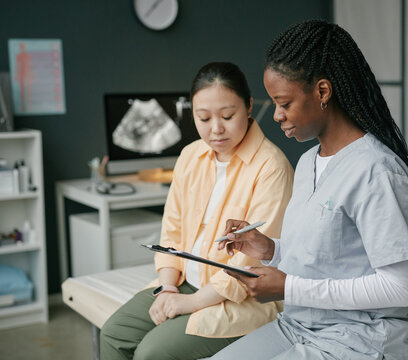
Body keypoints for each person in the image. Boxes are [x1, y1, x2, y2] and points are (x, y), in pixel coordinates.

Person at [212, 20, 408, 360]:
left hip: (362, 339)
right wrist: (268, 249)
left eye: (284, 103)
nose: (278, 116)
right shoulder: (308, 162)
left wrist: (288, 287)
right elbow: (327, 259)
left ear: (323, 92)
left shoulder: (377, 171)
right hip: (299, 325)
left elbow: (399, 289)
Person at [100, 62, 294, 360]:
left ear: (250, 106)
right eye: (203, 118)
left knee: (151, 353)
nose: (216, 128)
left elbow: (250, 264)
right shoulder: (190, 156)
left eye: (228, 116)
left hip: (238, 298)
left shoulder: (271, 167)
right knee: (114, 334)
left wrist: (189, 305)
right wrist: (167, 287)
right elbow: (172, 231)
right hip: (183, 283)